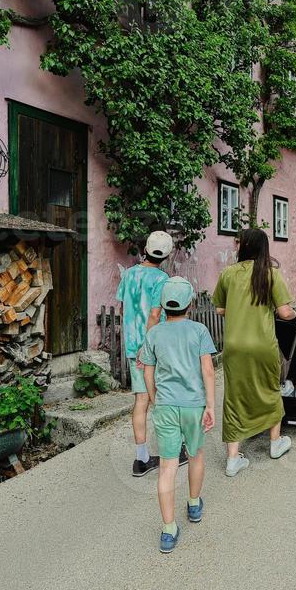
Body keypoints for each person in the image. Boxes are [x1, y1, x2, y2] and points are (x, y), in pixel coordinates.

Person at [139, 277, 216, 553]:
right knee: (195, 455)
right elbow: (208, 370)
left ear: (164, 305)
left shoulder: (154, 334)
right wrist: (210, 405)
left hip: (166, 407)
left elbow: (148, 370)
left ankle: (168, 529)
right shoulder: (199, 331)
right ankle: (194, 504)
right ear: (191, 305)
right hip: (194, 405)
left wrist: (154, 398)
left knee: (168, 466)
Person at [213, 227, 296, 477]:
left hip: (234, 347)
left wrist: (238, 310)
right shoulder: (271, 274)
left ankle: (232, 460)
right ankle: (275, 443)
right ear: (264, 248)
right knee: (270, 388)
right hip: (262, 346)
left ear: (243, 247)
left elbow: (219, 310)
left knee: (233, 396)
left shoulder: (228, 274)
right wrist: (292, 312)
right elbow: (284, 312)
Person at [117, 230, 186, 477]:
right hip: (153, 349)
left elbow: (123, 308)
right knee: (164, 398)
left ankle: (141, 458)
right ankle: (174, 451)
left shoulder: (129, 275)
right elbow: (155, 315)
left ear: (145, 249)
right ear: (166, 256)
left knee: (141, 401)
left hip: (133, 348)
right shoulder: (162, 280)